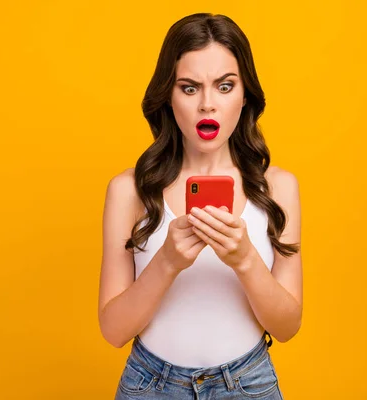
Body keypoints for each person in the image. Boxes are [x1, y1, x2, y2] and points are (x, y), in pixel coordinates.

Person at [98, 12, 302, 399]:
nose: (207, 105)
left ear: (245, 97)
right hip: (150, 385)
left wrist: (244, 259)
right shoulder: (129, 191)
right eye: (189, 88)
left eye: (225, 86)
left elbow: (288, 327)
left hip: (248, 383)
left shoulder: (279, 188)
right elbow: (113, 331)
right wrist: (167, 262)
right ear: (168, 97)